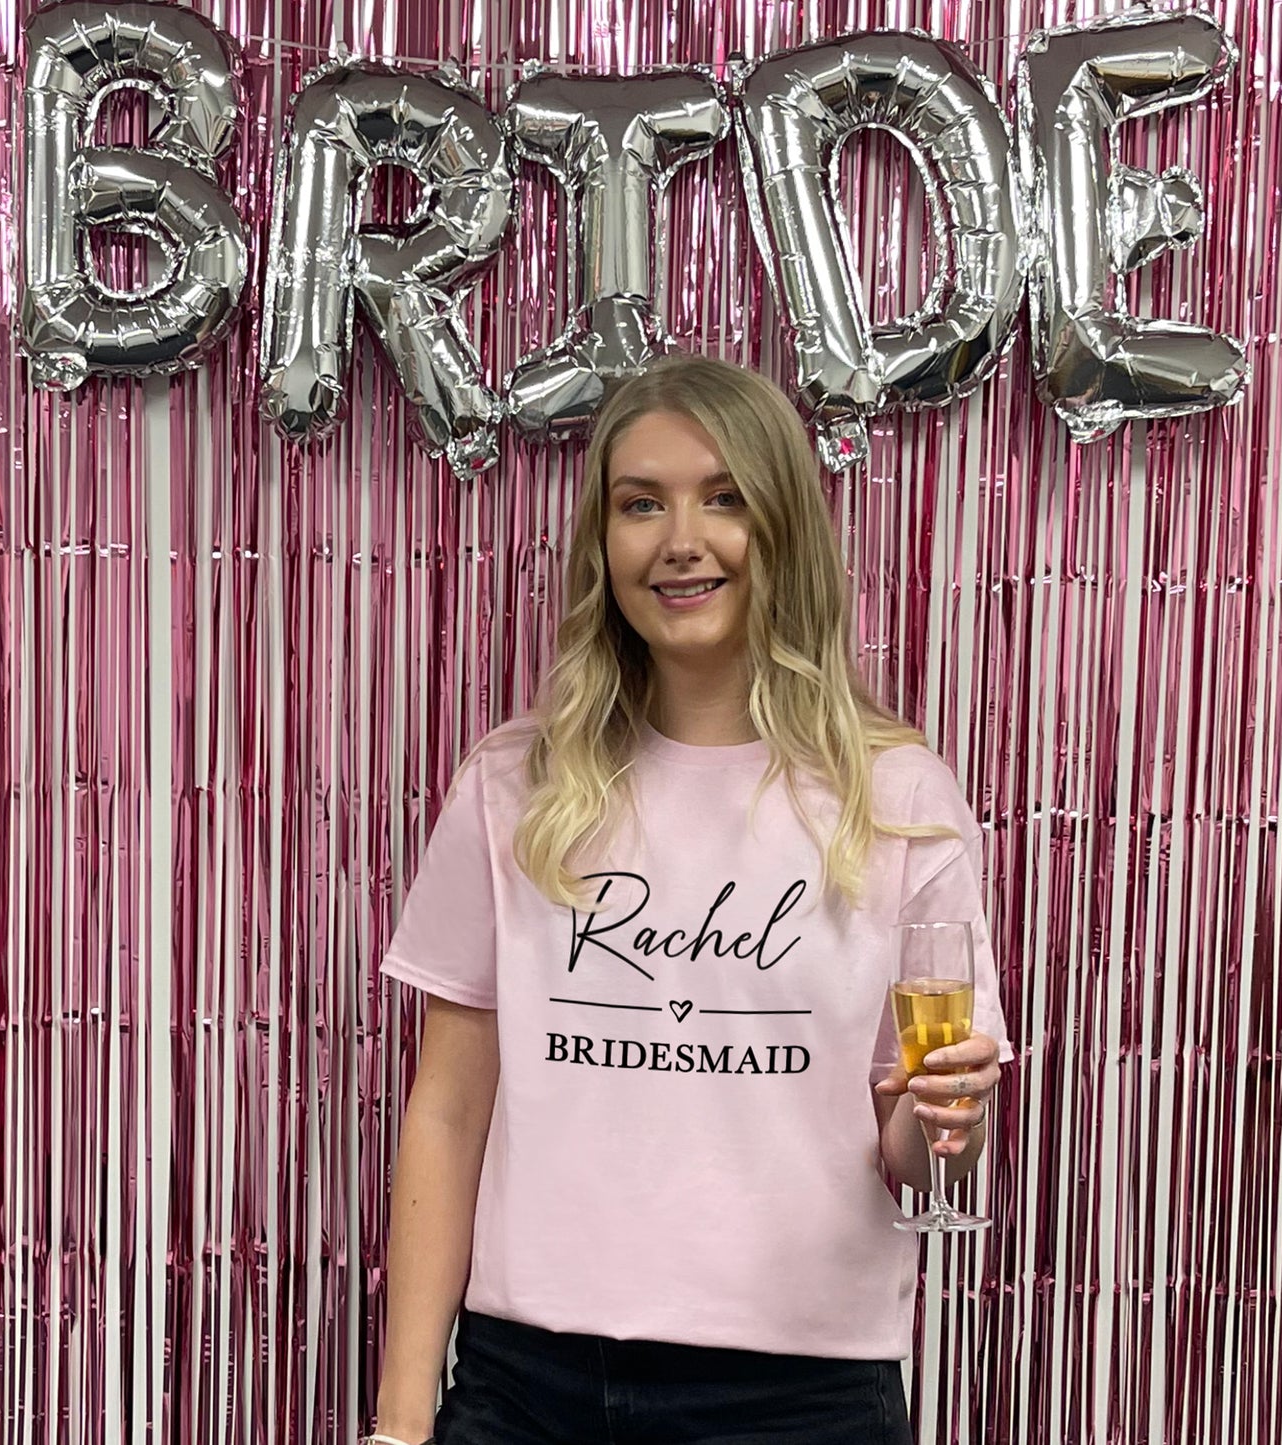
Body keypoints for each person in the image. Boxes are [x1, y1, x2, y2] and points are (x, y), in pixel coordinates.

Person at [372, 355, 1013, 1445]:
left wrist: (948, 1118)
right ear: (601, 544)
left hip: (803, 1396)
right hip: (529, 1387)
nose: (681, 538)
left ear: (781, 529)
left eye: (722, 498)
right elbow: (446, 1108)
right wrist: (397, 1422)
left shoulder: (899, 796)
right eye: (640, 503)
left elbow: (914, 1145)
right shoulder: (510, 786)